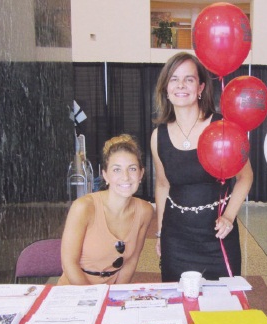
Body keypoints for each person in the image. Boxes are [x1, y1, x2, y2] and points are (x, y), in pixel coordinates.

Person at [151, 52, 253, 282]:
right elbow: (162, 184)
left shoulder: (223, 128)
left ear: (200, 88)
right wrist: (160, 233)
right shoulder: (158, 136)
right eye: (174, 79)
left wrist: (228, 216)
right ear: (166, 88)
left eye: (189, 79)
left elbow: (245, 177)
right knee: (178, 308)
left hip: (217, 237)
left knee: (222, 310)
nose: (181, 85)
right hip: (176, 239)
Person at [58, 134, 154, 285]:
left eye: (132, 169)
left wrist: (116, 297)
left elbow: (131, 260)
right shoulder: (84, 207)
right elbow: (69, 264)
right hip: (75, 290)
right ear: (105, 175)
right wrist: (94, 299)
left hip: (112, 291)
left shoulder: (145, 211)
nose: (126, 177)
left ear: (141, 174)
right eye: (116, 170)